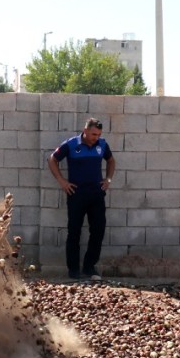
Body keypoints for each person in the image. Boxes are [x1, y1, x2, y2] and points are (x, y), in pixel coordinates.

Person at [48, 117, 115, 281]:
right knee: (74, 232)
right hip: (76, 194)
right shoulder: (71, 144)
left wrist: (108, 179)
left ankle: (89, 267)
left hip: (97, 194)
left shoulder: (102, 145)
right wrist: (62, 181)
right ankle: (73, 269)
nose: (96, 138)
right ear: (85, 131)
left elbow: (111, 160)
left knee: (98, 230)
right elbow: (52, 159)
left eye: (98, 134)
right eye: (93, 134)